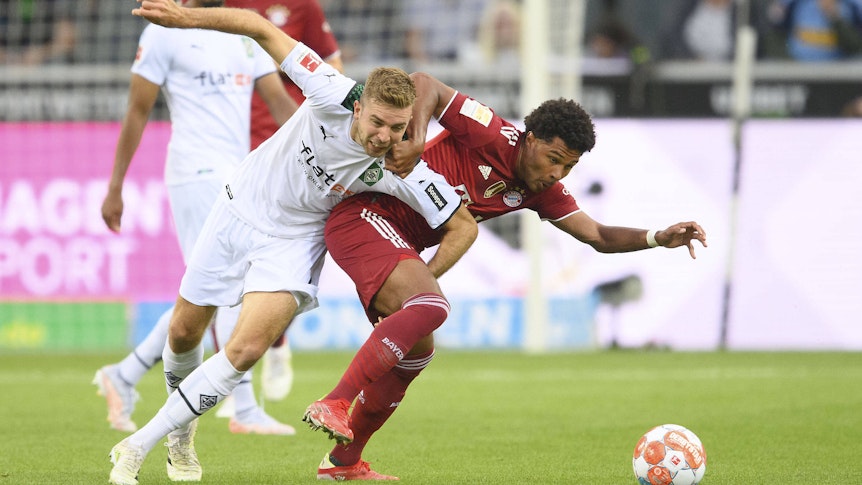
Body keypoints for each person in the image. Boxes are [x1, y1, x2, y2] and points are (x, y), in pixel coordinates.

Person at [108, 2, 476, 484]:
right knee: (183, 333)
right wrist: (187, 19)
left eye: (398, 128)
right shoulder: (328, 88)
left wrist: (423, 280)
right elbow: (260, 27)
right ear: (358, 106)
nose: (385, 137)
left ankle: (137, 446)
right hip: (240, 207)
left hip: (296, 243)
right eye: (378, 123)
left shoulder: (405, 167)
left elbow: (463, 225)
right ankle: (182, 432)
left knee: (245, 350)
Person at [303, 72, 708, 480]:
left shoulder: (539, 190)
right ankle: (335, 401)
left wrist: (657, 238)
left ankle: (343, 463)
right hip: (364, 217)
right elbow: (425, 83)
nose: (557, 174)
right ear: (530, 139)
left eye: (568, 167)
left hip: (398, 243)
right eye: (554, 158)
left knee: (418, 352)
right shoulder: (490, 131)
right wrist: (417, 139)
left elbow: (598, 235)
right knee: (430, 306)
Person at [92, 0, 299, 440]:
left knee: (208, 292)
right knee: (225, 289)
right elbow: (137, 110)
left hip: (236, 174)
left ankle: (124, 375)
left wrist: (323, 149)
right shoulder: (162, 31)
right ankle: (244, 408)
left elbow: (280, 103)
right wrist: (115, 186)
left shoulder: (245, 33)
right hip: (193, 173)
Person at [222, 0, 345, 405]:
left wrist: (334, 132)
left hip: (287, 144)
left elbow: (332, 66)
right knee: (228, 265)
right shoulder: (228, 5)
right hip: (227, 142)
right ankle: (237, 382)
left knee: (284, 254)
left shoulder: (301, 6)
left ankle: (276, 344)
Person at [767, 0, 862, 60]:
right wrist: (787, 63)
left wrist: (834, 16)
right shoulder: (792, 4)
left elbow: (856, 47)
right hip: (798, 70)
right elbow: (774, 33)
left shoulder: (853, 6)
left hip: (837, 73)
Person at [0, 0, 76, 65]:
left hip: (43, 66)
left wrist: (39, 54)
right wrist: (9, 58)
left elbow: (68, 39)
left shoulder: (52, 5)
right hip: (7, 65)